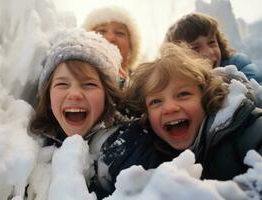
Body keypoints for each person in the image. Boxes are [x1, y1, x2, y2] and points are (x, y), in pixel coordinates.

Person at [91, 42, 262, 199]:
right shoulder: (156, 151)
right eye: (156, 101)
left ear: (205, 95)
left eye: (183, 94)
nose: (170, 108)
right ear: (146, 115)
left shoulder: (243, 125)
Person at [26, 28, 128, 199]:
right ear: (48, 97)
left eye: (88, 84)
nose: (74, 94)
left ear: (107, 95)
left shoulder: (126, 147)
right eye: (62, 84)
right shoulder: (33, 146)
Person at [165, 12, 262, 84]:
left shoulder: (238, 65)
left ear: (219, 43)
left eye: (211, 43)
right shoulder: (180, 84)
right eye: (195, 48)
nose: (209, 52)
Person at [82, 5, 142, 87]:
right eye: (102, 31)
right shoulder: (76, 77)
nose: (110, 38)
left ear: (131, 46)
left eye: (119, 33)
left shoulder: (143, 86)